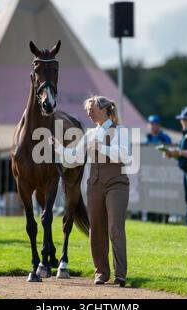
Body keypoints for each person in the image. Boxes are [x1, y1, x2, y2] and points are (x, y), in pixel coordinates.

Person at [50, 95, 131, 287]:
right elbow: (73, 159)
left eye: (92, 108)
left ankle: (120, 274)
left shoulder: (120, 131)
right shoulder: (90, 134)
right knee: (96, 230)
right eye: (87, 110)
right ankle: (101, 273)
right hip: (94, 186)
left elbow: (126, 156)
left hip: (117, 185)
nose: (88, 112)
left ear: (104, 110)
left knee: (114, 228)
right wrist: (59, 148)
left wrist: (102, 147)